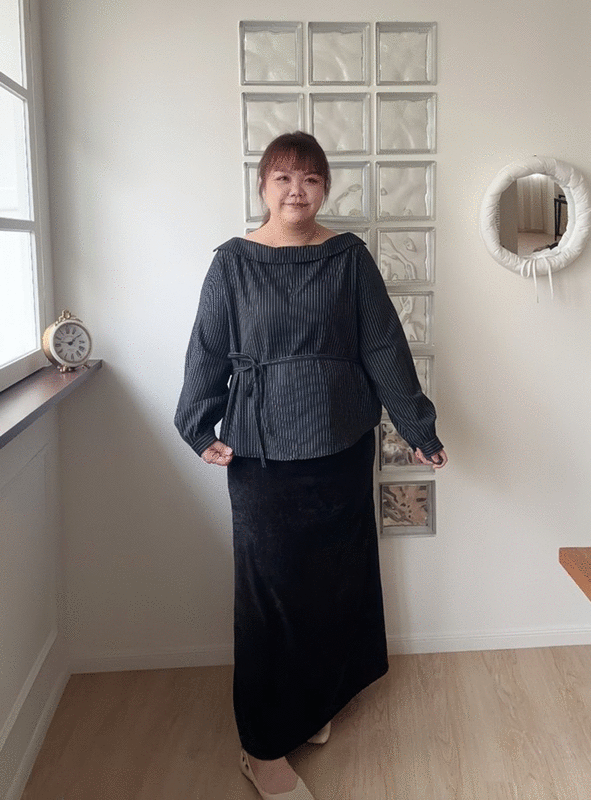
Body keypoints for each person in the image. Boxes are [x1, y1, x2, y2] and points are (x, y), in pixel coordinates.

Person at [174, 131, 447, 800]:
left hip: (343, 447)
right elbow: (207, 348)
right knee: (270, 600)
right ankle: (263, 748)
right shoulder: (233, 263)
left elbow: (383, 347)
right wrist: (197, 427)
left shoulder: (348, 258)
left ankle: (312, 702)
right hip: (262, 455)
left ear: (324, 188)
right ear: (263, 186)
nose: (297, 190)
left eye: (311, 179)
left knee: (333, 585)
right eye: (283, 178)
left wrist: (416, 427)